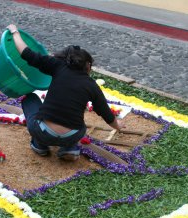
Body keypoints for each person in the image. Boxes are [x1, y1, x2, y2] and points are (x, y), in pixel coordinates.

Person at [7, 24, 124, 161]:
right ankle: (70, 148)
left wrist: (15, 32)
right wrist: (118, 126)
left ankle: (40, 144)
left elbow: (26, 53)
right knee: (78, 122)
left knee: (30, 98)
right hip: (73, 134)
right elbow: (106, 113)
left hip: (44, 132)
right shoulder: (91, 85)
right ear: (87, 66)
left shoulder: (57, 65)